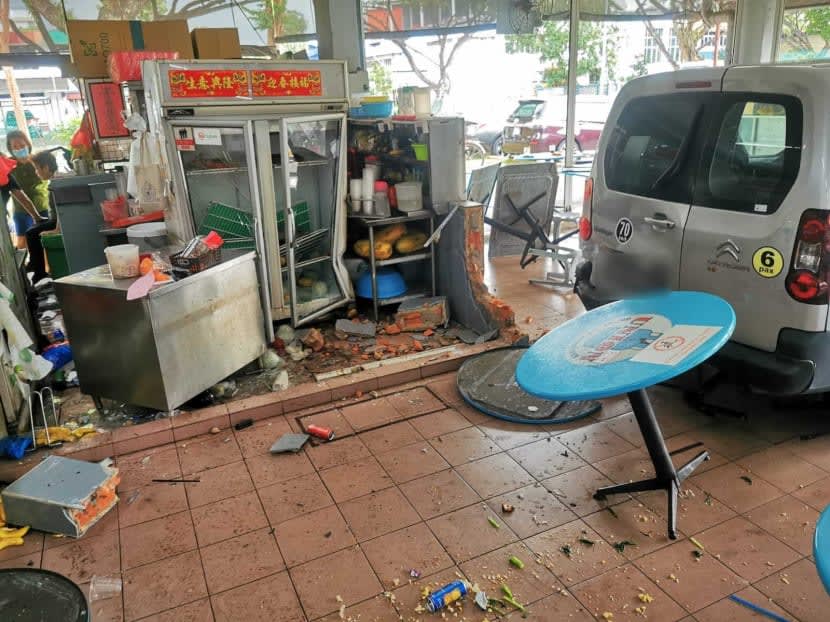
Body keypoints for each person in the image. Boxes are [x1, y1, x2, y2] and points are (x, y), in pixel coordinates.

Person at [7, 130, 50, 249]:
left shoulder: (38, 160)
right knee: (22, 242)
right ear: (10, 148)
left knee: (44, 241)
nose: (19, 149)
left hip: (41, 207)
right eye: (15, 146)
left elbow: (50, 176)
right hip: (20, 210)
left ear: (28, 144)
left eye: (22, 145)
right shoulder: (9, 165)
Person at [24, 151, 59, 284]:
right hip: (54, 220)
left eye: (37, 168)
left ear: (46, 167)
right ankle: (35, 266)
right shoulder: (54, 181)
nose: (36, 172)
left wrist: (56, 230)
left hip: (59, 222)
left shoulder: (57, 183)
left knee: (32, 233)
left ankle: (39, 272)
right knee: (33, 229)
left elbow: (62, 211)